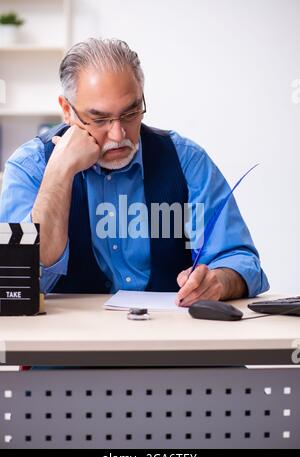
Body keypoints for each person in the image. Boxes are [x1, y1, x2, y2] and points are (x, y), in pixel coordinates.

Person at [0, 38, 269, 306]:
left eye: (130, 114)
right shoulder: (30, 166)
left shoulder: (186, 160)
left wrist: (220, 281)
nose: (118, 134)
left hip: (169, 336)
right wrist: (59, 172)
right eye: (100, 119)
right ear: (67, 110)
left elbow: (241, 260)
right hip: (64, 342)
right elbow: (14, 282)